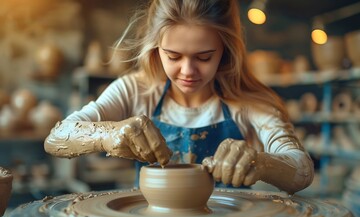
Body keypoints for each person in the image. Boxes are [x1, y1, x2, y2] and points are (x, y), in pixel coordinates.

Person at [44, 0, 314, 194]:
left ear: (226, 49)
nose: (187, 71)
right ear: (156, 47)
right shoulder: (136, 90)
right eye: (173, 56)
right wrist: (108, 134)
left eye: (204, 57)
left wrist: (262, 162)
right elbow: (56, 138)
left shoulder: (248, 104)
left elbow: (302, 169)